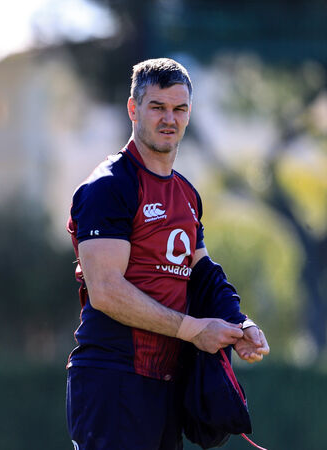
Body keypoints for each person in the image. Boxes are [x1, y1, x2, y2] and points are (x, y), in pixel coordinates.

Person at [64, 58, 270, 449]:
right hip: (113, 378)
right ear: (133, 109)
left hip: (167, 383)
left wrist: (238, 322)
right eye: (157, 107)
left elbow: (203, 272)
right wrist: (195, 330)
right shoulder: (109, 186)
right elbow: (106, 291)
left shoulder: (187, 194)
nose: (169, 119)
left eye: (179, 108)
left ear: (189, 113)